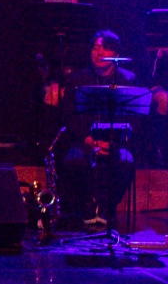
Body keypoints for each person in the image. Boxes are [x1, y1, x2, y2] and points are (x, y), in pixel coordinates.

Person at [53, 31, 139, 229]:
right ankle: (88, 206)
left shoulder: (127, 80)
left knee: (126, 163)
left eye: (105, 48)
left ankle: (108, 208)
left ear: (116, 53)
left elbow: (135, 118)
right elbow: (68, 116)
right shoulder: (78, 79)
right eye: (95, 48)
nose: (99, 53)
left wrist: (112, 142)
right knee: (73, 161)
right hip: (85, 140)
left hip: (116, 142)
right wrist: (87, 139)